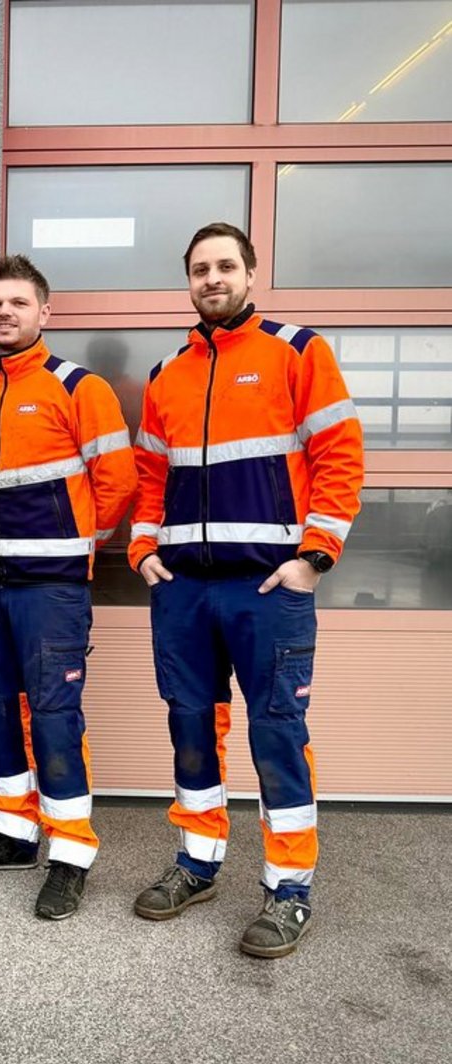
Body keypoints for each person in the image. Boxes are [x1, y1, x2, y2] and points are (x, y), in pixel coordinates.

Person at [128, 223, 364, 957]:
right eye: (200, 269)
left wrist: (314, 556)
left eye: (225, 265)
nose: (212, 278)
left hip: (267, 587)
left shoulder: (296, 351)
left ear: (250, 274)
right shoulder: (167, 374)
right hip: (184, 591)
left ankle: (288, 889)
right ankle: (197, 864)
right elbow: (149, 474)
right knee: (190, 728)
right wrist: (142, 547)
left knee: (277, 732)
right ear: (188, 281)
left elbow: (339, 454)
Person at [0, 254, 137, 920]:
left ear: (44, 313)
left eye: (18, 303)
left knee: (55, 716)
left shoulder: (79, 387)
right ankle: (14, 832)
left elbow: (117, 482)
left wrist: (72, 547)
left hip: (52, 589)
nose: (5, 313)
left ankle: (71, 853)